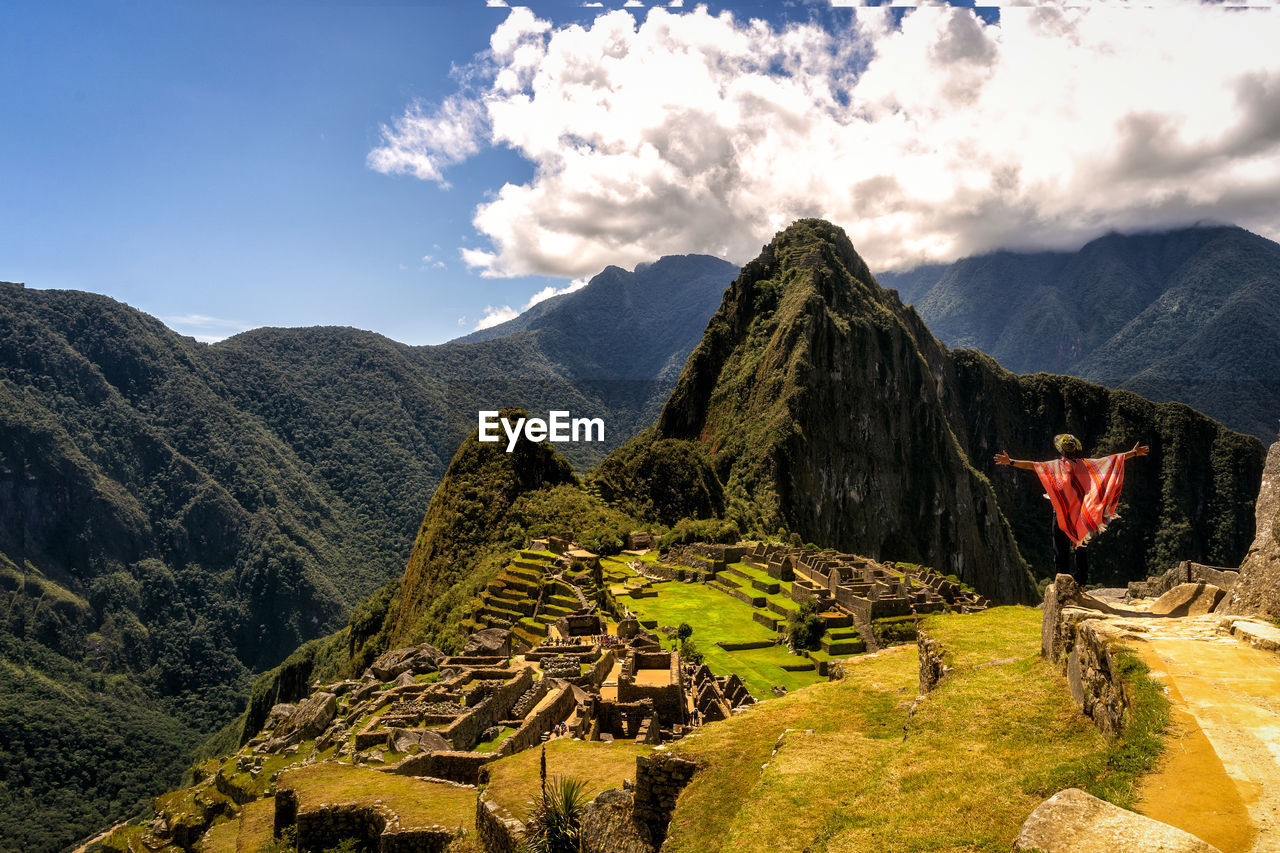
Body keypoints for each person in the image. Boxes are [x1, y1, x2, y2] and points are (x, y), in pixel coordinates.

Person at [994, 434, 1149, 586]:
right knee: (1080, 547)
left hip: (1061, 514)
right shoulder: (1086, 466)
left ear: (1061, 451)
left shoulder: (1055, 466)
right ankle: (1081, 582)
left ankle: (1062, 580)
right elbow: (1110, 461)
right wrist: (1133, 453)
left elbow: (1031, 465)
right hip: (1081, 514)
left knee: (1060, 549)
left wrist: (1010, 462)